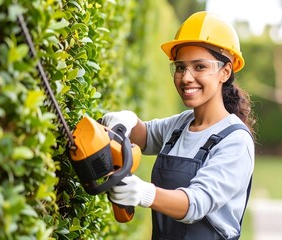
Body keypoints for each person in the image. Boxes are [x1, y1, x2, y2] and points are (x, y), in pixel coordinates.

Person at [101, 11, 256, 240]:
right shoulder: (182, 124)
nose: (186, 78)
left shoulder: (235, 141)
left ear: (225, 72)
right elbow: (144, 136)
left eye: (200, 67)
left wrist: (145, 193)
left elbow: (197, 203)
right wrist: (127, 120)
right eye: (181, 67)